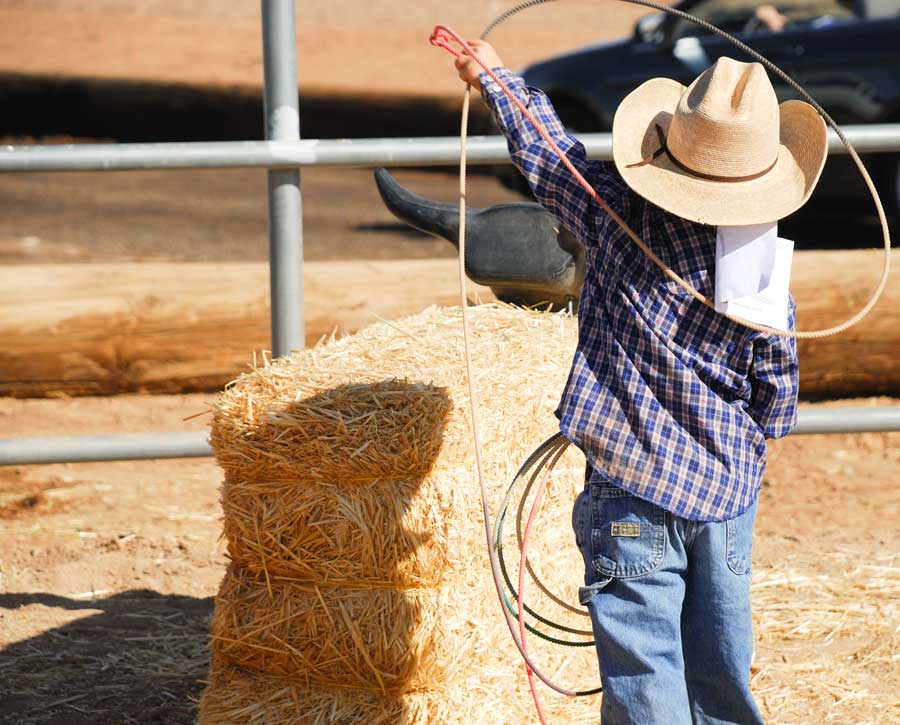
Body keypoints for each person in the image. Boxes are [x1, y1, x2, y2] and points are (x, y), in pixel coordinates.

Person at [452, 43, 827, 724]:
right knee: (720, 660)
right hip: (726, 497)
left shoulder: (617, 216)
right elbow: (777, 402)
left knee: (644, 663)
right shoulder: (766, 276)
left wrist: (496, 79)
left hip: (631, 484)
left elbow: (548, 156)